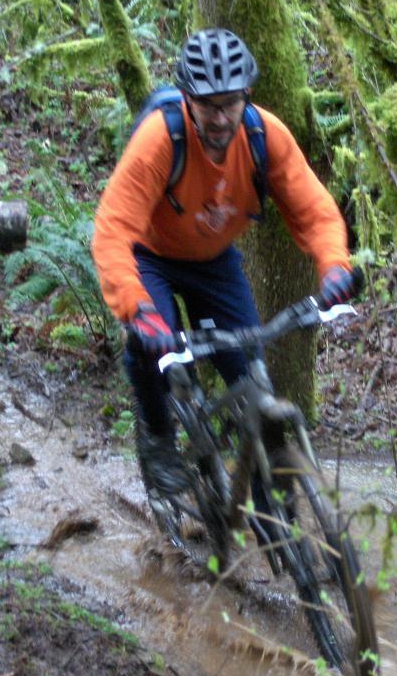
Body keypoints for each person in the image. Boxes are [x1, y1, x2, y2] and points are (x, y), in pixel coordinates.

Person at [92, 27, 355, 518]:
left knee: (250, 368)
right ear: (188, 99)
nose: (218, 118)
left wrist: (335, 266)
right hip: (151, 257)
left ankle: (266, 490)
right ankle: (158, 438)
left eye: (229, 104)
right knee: (153, 351)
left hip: (215, 260)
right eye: (207, 105)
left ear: (245, 97)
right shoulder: (160, 138)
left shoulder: (264, 135)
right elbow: (112, 230)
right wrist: (137, 308)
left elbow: (315, 210)